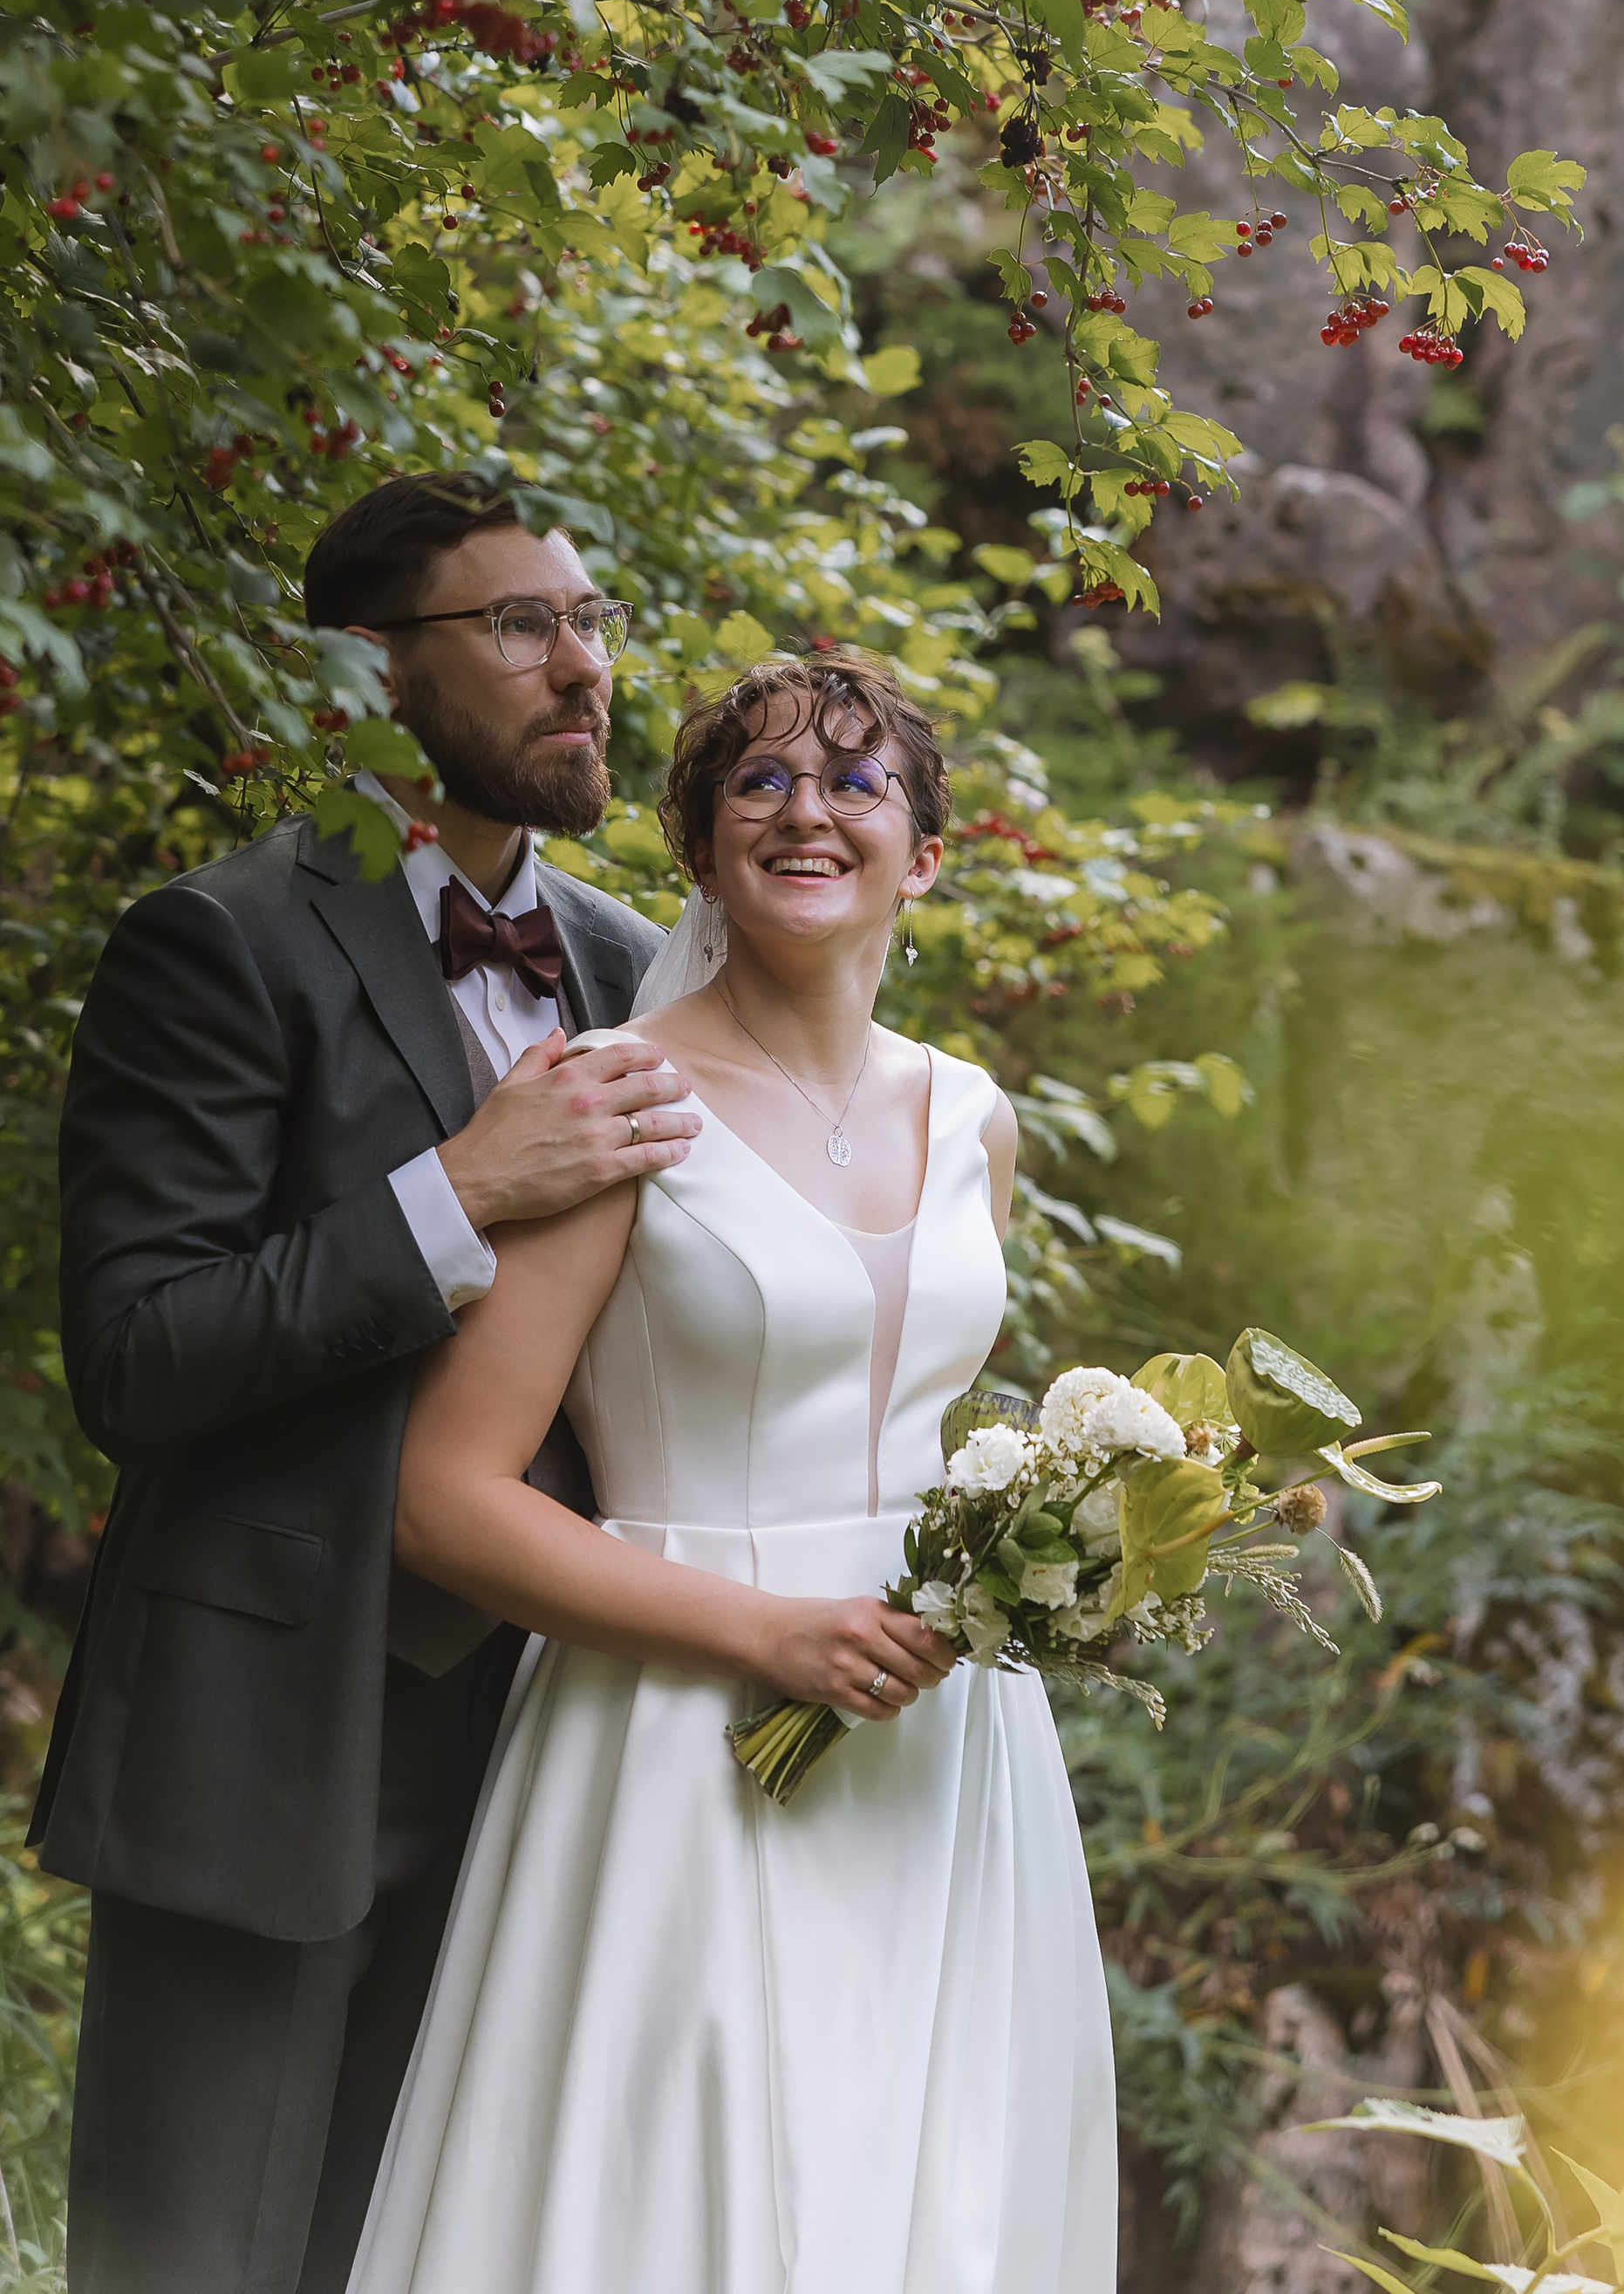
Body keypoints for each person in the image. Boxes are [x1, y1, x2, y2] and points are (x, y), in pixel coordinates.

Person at [344, 652, 1118, 2294]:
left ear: (927, 849)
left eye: (855, 783)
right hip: (680, 1736)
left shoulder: (975, 1119)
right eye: (756, 783)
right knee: (681, 2204)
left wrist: (1079, 1547)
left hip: (947, 1747)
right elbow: (447, 1496)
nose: (806, 812)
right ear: (695, 849)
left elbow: (924, 1419)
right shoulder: (613, 1103)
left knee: (932, 2201)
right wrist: (765, 1638)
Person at [35, 474, 701, 2294]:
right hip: (273, 1725)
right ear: (363, 675)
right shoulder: (219, 941)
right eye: (520, 627)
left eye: (592, 623)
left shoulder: (640, 973)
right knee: (194, 2261)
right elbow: (138, 1355)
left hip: (552, 1745)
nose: (582, 670)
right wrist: (457, 1194)